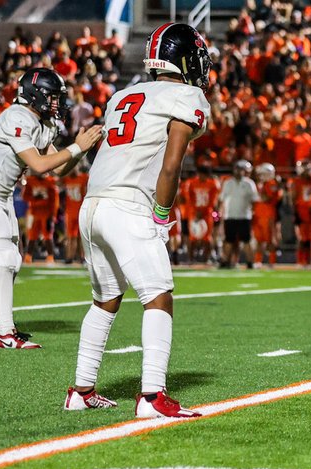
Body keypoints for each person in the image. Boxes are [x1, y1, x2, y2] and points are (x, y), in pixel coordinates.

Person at [65, 23, 212, 418]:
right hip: (128, 206)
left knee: (105, 300)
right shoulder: (187, 95)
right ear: (184, 59)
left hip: (92, 203)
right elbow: (171, 165)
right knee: (158, 294)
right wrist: (161, 216)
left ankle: (81, 390)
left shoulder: (122, 95)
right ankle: (152, 397)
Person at [0, 67, 100, 346]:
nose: (58, 103)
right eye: (53, 97)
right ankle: (5, 333)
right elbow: (39, 165)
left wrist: (82, 149)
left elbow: (59, 170)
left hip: (0, 195)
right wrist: (76, 147)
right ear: (36, 96)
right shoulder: (17, 116)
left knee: (11, 261)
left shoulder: (42, 122)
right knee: (3, 260)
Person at [219, 160, 258, 269]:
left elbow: (255, 200)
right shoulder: (228, 183)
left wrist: (253, 212)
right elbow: (222, 199)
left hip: (244, 216)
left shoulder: (249, 183)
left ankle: (250, 262)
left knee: (246, 240)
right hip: (230, 215)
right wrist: (220, 212)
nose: (238, 172)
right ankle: (224, 260)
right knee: (228, 240)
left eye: (240, 170)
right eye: (237, 169)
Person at [181, 166, 220, 264]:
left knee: (207, 237)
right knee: (192, 237)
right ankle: (190, 258)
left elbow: (213, 200)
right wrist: (195, 211)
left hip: (207, 214)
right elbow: (189, 199)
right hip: (194, 213)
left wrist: (203, 211)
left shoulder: (212, 184)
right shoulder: (192, 183)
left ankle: (206, 258)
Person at [22, 173, 59, 263]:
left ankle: (50, 257)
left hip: (46, 213)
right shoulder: (30, 180)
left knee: (48, 236)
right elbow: (24, 197)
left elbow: (55, 201)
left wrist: (53, 216)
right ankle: (28, 257)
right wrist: (34, 198)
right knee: (31, 235)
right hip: (33, 212)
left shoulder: (50, 181)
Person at [252, 163, 282, 267]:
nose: (260, 176)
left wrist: (259, 190)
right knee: (259, 240)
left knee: (270, 240)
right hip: (258, 214)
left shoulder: (271, 184)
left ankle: (271, 262)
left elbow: (267, 198)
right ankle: (257, 261)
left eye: (262, 174)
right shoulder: (262, 184)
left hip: (268, 215)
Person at [61, 167, 89, 264]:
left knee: (81, 236)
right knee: (70, 236)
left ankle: (82, 257)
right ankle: (69, 257)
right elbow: (58, 181)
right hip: (70, 212)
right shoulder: (67, 179)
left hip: (81, 210)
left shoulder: (84, 177)